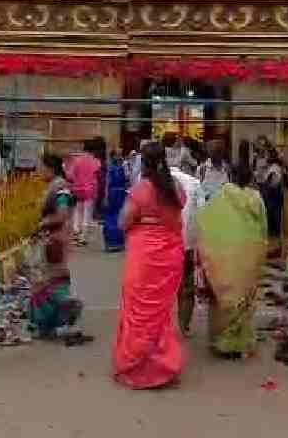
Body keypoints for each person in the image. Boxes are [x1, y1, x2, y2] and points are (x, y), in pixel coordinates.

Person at [113, 142, 186, 389]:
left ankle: (136, 364)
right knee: (162, 311)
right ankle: (164, 365)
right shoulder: (175, 188)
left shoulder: (141, 190)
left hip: (144, 255)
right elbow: (177, 219)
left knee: (138, 309)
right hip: (170, 254)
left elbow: (123, 222)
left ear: (143, 163)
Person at [196, 162, 266, 359]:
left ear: (230, 177)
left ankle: (221, 343)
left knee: (223, 295)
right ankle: (241, 343)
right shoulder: (256, 199)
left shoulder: (219, 197)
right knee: (244, 298)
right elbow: (263, 226)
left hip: (224, 254)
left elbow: (205, 221)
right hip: (249, 252)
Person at [29, 154, 87, 341]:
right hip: (53, 240)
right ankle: (49, 324)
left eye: (41, 167)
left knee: (48, 281)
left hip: (54, 241)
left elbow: (61, 215)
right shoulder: (56, 187)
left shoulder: (60, 189)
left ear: (51, 168)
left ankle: (66, 309)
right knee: (47, 280)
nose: (39, 171)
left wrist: (43, 224)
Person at [173, 157, 203, 335]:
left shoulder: (151, 182)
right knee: (186, 285)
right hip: (186, 244)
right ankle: (184, 325)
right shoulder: (194, 183)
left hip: (160, 245)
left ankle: (161, 327)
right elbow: (201, 213)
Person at [64, 140, 102, 246]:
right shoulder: (96, 161)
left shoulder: (77, 161)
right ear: (93, 150)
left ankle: (76, 232)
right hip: (90, 190)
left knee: (78, 211)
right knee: (87, 214)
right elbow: (98, 174)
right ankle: (83, 237)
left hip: (77, 189)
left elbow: (70, 175)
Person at [259, 150, 287, 256]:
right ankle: (275, 249)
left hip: (273, 202)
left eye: (267, 156)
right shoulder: (273, 168)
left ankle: (276, 250)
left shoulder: (274, 169)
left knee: (274, 227)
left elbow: (273, 185)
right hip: (272, 201)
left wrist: (264, 187)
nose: (265, 158)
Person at [102, 150, 128, 253]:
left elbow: (127, 180)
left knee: (120, 216)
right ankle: (111, 242)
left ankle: (119, 242)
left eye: (120, 155)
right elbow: (107, 183)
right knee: (111, 217)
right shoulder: (111, 168)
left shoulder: (123, 167)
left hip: (121, 193)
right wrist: (105, 196)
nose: (119, 156)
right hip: (113, 194)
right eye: (117, 155)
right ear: (113, 156)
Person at [197, 139, 231, 204]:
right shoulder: (202, 169)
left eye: (219, 150)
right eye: (215, 151)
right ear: (209, 152)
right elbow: (196, 193)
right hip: (207, 210)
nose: (217, 153)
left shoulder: (227, 169)